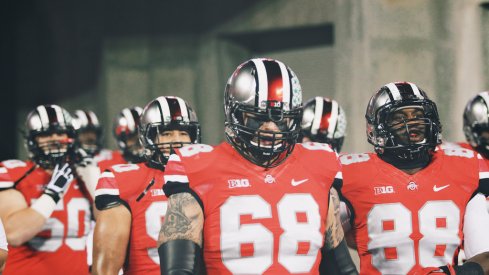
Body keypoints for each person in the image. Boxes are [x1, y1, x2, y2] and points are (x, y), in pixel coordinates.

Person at [157, 58, 358, 274]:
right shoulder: (198, 167)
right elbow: (179, 269)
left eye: (280, 118)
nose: (270, 127)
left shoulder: (319, 165)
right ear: (235, 113)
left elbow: (339, 265)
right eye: (258, 117)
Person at [338, 82, 489, 274]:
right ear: (376, 128)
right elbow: (322, 239)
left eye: (418, 115)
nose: (413, 123)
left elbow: (485, 255)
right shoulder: (351, 173)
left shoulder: (466, 169)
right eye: (399, 117)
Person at [92, 96, 201, 275]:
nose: (177, 141)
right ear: (148, 138)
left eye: (183, 133)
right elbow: (105, 269)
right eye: (166, 134)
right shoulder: (125, 180)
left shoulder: (207, 176)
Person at [0, 104, 92, 275]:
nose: (55, 139)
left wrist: (94, 181)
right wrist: (53, 192)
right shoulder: (13, 173)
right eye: (46, 134)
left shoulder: (83, 176)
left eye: (60, 133)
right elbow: (14, 234)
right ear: (32, 140)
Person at [97, 106, 145, 172]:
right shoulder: (110, 165)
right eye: (132, 138)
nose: (139, 141)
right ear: (122, 142)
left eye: (142, 135)